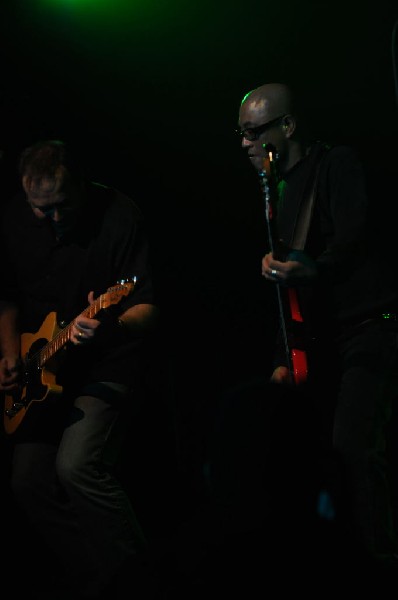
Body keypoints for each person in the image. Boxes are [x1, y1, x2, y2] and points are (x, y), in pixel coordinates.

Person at [209, 82, 398, 589]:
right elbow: (290, 296)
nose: (245, 144)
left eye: (254, 132)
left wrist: (314, 268)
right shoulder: (279, 193)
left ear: (286, 127)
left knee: (354, 449)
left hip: (369, 329)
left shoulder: (336, 165)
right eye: (241, 133)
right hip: (321, 344)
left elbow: (354, 241)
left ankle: (380, 566)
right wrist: (282, 355)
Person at [0, 139, 160, 599]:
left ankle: (143, 580)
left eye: (61, 206)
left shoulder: (120, 215)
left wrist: (108, 326)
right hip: (40, 371)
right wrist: (10, 354)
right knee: (26, 482)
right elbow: (7, 296)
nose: (52, 219)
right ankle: (97, 578)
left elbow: (148, 306)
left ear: (81, 185)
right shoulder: (13, 217)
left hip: (104, 362)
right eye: (40, 209)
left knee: (76, 467)